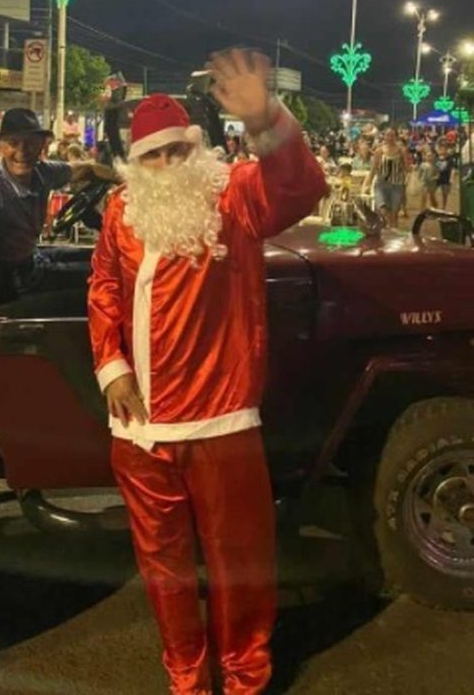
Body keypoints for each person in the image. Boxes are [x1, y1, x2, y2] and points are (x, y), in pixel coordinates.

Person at [87, 49, 327, 695]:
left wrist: (266, 119)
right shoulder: (120, 213)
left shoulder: (237, 195)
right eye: (152, 156)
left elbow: (301, 187)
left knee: (238, 562)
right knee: (163, 569)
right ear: (134, 165)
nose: (166, 166)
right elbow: (105, 291)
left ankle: (246, 677)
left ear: (198, 151)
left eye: (176, 152)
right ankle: (187, 678)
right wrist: (112, 370)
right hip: (140, 431)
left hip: (220, 423)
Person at [0, 107, 118, 316]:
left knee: (102, 260)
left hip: (34, 261)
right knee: (106, 282)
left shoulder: (42, 171)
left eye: (30, 143)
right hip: (15, 283)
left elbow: (87, 168)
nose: (22, 151)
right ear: (2, 146)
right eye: (14, 143)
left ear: (41, 145)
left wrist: (127, 181)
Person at [365, 128, 412, 228]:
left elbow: (407, 168)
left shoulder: (401, 151)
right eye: (388, 135)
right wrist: (367, 184)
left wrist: (409, 166)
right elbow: (373, 169)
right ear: (384, 136)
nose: (390, 138)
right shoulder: (379, 151)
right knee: (382, 210)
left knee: (394, 214)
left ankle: (393, 236)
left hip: (397, 185)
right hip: (381, 185)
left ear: (396, 137)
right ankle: (383, 231)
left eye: (392, 135)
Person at [417, 145, 439, 211]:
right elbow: (419, 174)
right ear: (425, 157)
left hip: (432, 183)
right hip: (424, 183)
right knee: (423, 196)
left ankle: (434, 208)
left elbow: (437, 174)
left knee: (432, 197)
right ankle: (422, 209)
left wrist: (435, 177)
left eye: (431, 156)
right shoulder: (422, 165)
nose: (429, 157)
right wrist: (420, 180)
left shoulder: (435, 165)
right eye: (428, 156)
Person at [435, 141, 456, 211]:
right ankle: (435, 206)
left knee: (444, 194)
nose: (441, 150)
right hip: (437, 178)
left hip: (446, 178)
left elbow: (453, 168)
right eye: (440, 148)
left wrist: (451, 178)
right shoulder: (436, 157)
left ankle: (443, 207)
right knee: (433, 192)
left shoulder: (449, 158)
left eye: (443, 148)